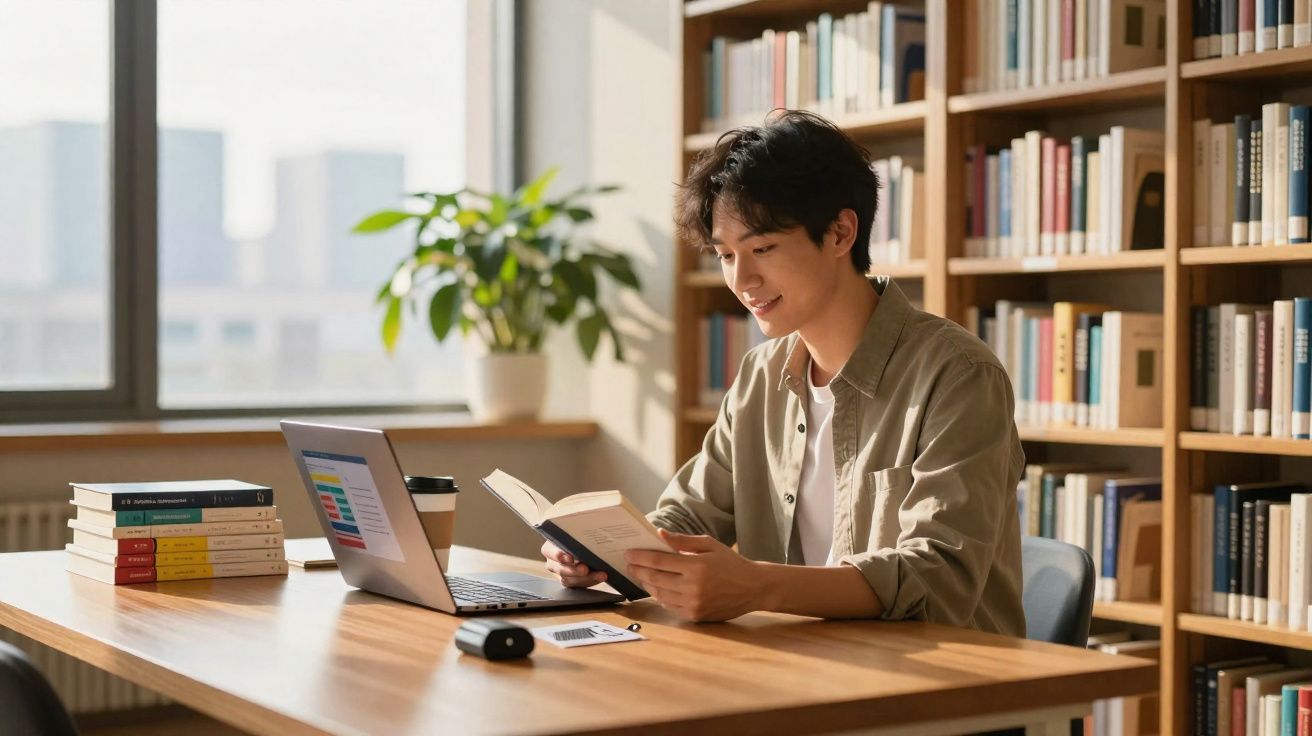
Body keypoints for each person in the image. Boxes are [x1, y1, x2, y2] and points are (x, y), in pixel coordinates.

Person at [541, 110, 1025, 634]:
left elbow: (940, 577)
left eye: (762, 248)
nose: (742, 279)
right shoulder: (760, 376)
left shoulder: (957, 375)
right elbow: (687, 516)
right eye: (726, 255)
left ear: (840, 233)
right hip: (803, 669)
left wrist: (758, 586)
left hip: (945, 688)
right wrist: (608, 552)